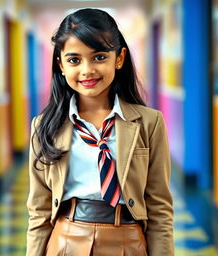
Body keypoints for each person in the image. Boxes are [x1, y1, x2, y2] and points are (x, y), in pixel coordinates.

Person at [26, 8, 174, 256]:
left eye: (99, 57)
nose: (87, 70)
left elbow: (159, 209)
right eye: (74, 60)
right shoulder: (44, 126)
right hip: (65, 242)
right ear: (60, 64)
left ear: (119, 58)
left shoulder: (149, 123)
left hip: (129, 241)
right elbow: (38, 211)